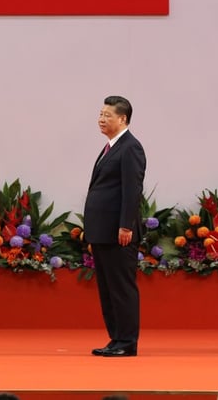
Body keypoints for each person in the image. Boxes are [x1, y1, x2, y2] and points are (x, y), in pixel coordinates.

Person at [84, 96, 146, 358]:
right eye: (100, 114)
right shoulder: (110, 147)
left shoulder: (130, 147)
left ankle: (127, 342)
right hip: (102, 231)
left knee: (121, 288)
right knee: (108, 289)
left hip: (119, 232)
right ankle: (116, 338)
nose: (101, 119)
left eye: (107, 115)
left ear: (122, 119)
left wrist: (125, 225)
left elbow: (132, 190)